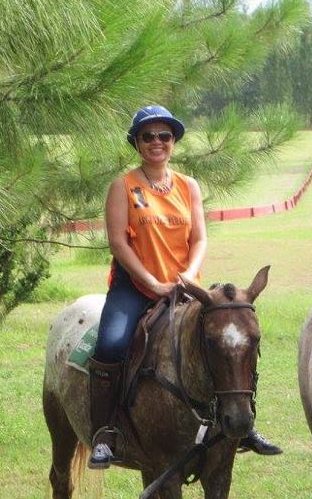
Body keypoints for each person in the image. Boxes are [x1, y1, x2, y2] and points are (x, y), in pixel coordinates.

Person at [88, 104, 282, 470]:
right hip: (136, 287)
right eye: (148, 136)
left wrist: (188, 278)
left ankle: (244, 425)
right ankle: (105, 433)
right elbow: (118, 244)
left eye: (164, 135)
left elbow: (199, 239)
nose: (156, 142)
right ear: (137, 143)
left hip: (185, 287)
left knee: (230, 338)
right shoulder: (123, 186)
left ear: (173, 141)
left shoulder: (188, 185)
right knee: (111, 343)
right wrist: (153, 283)